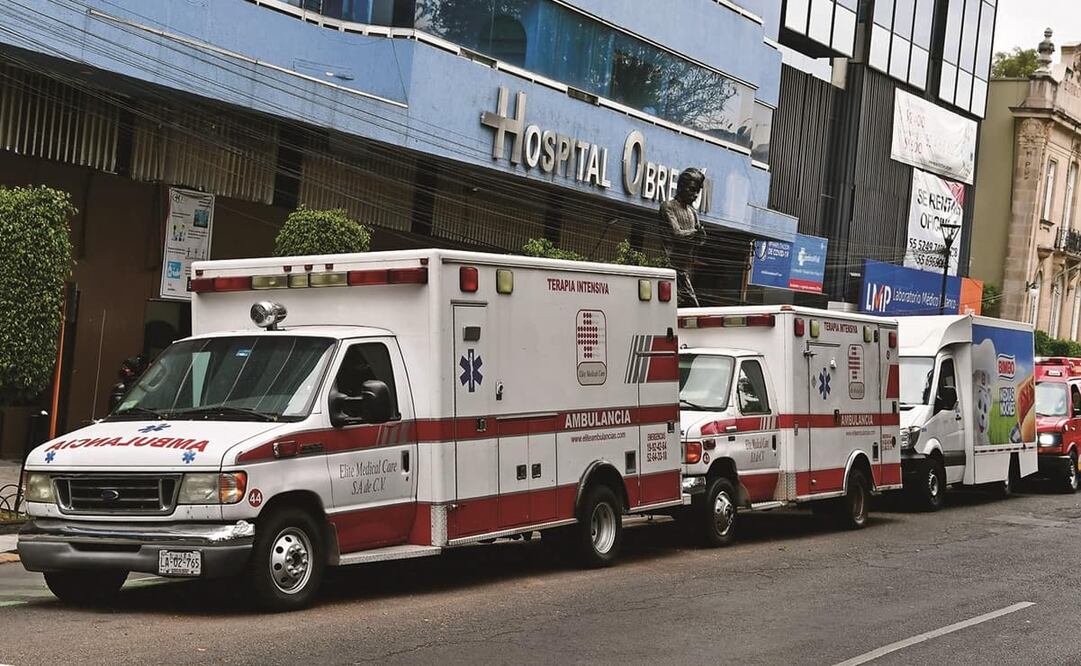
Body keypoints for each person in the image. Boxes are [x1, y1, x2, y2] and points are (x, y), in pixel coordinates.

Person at [659, 168, 707, 306]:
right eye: (692, 189)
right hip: (668, 269)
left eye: (698, 191)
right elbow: (677, 234)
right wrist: (695, 233)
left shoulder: (692, 212)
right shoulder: (668, 206)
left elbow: (701, 241)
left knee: (693, 307)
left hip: (683, 271)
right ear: (680, 187)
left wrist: (701, 234)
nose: (695, 194)